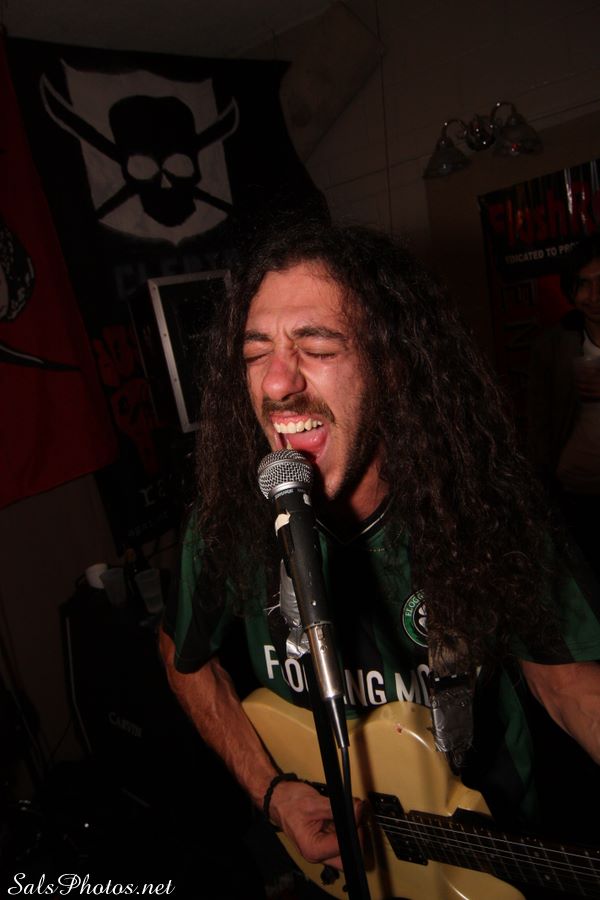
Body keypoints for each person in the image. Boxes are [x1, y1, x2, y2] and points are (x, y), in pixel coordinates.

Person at [160, 222, 600, 876]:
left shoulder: (486, 510)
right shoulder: (228, 521)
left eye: (316, 346)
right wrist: (271, 792)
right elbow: (184, 657)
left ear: (392, 365)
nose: (276, 384)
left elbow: (570, 686)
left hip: (486, 856)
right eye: (255, 354)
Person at [528, 235, 600, 575]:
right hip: (576, 494)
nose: (594, 295)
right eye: (583, 284)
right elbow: (539, 422)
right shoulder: (554, 345)